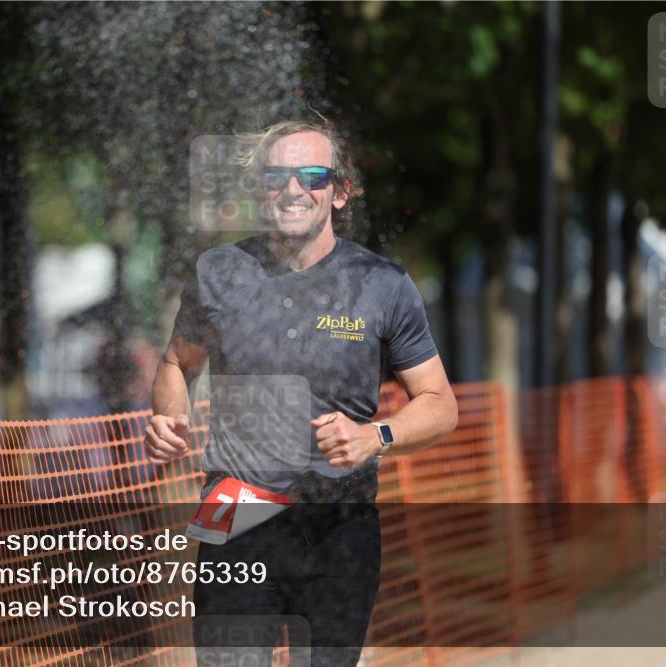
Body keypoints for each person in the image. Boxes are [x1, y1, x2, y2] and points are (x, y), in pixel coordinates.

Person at [145, 119, 458, 666]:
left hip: (339, 527)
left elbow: (439, 403)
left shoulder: (382, 285)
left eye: (311, 175)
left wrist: (374, 436)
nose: (293, 189)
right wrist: (170, 416)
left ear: (339, 192)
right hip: (235, 516)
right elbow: (177, 362)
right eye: (276, 176)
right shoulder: (219, 273)